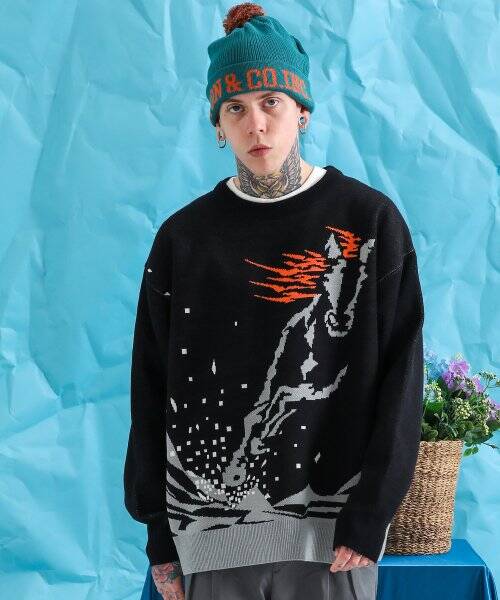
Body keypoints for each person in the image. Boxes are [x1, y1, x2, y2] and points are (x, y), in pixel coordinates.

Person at [123, 3, 425, 599]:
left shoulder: (369, 222)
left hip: (335, 544)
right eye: (235, 108)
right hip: (210, 542)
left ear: (302, 111)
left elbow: (402, 375)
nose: (255, 124)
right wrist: (160, 536)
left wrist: (371, 513)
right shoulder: (183, 240)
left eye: (271, 102)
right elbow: (149, 387)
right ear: (217, 124)